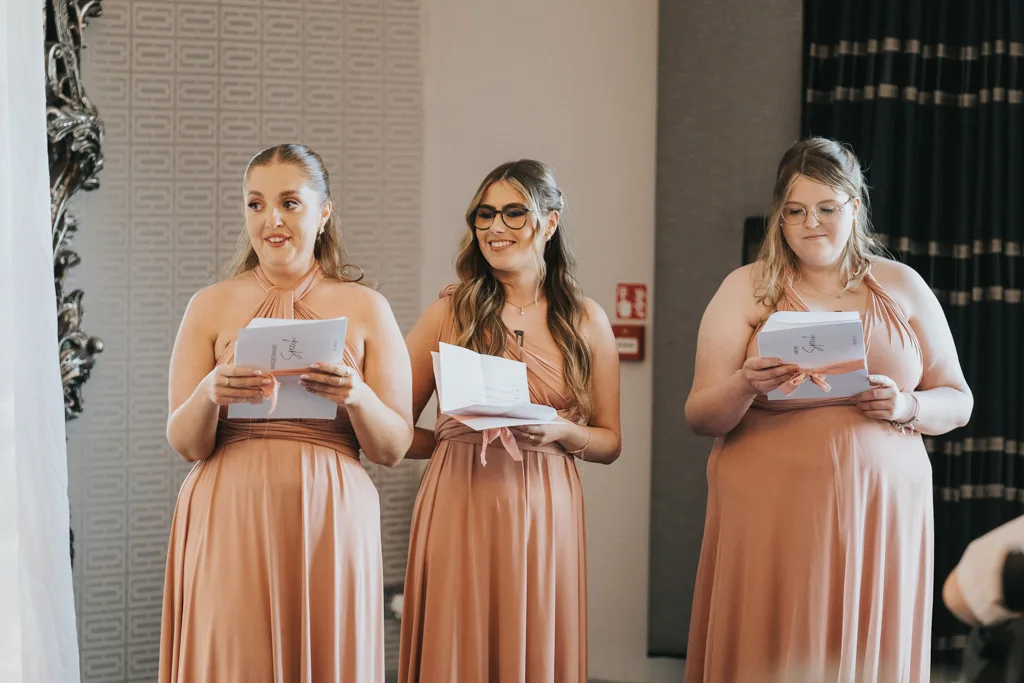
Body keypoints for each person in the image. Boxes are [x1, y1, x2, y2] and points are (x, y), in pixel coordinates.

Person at [683, 137, 974, 683]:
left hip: (880, 511)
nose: (809, 223)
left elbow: (958, 399)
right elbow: (700, 414)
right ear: (779, 217)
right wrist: (745, 384)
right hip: (771, 512)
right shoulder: (746, 288)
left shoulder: (901, 285)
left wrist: (907, 403)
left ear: (855, 206)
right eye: (794, 212)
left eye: (825, 209)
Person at [158, 143, 413, 682]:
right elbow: (185, 443)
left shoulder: (368, 307)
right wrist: (211, 391)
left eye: (289, 203)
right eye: (255, 204)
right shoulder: (209, 304)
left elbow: (393, 447)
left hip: (332, 517)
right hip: (228, 513)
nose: (271, 219)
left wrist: (356, 394)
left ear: (323, 213)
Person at [397, 159, 621, 683]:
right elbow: (394, 429)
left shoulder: (586, 320)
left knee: (535, 640)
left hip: (546, 502)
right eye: (485, 214)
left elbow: (610, 441)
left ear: (550, 221)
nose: (495, 228)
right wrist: (453, 439)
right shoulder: (449, 312)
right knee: (457, 645)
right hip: (458, 496)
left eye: (514, 213)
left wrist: (566, 434)